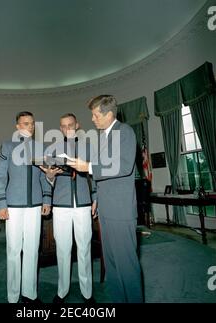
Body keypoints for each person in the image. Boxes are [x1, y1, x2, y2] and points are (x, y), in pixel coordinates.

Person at [67, 95, 143, 303]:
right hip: (106, 210)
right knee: (112, 266)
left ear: (109, 114)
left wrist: (89, 167)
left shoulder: (124, 131)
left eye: (95, 114)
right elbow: (105, 176)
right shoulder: (103, 138)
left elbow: (124, 165)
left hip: (121, 210)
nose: (92, 119)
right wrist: (97, 198)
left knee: (127, 266)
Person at [0, 111, 52, 304]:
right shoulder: (7, 146)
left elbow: (44, 176)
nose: (30, 126)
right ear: (17, 126)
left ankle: (30, 294)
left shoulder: (40, 148)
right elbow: (0, 176)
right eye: (25, 123)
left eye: (32, 123)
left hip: (35, 205)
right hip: (13, 205)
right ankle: (12, 296)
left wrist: (46, 199)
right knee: (13, 250)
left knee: (32, 249)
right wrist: (0, 203)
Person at [41, 113, 97, 304]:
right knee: (63, 249)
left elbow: (95, 176)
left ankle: (87, 293)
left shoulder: (88, 147)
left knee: (84, 248)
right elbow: (46, 178)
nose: (67, 129)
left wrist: (95, 198)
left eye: (70, 125)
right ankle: (62, 291)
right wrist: (49, 176)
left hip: (83, 204)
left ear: (77, 125)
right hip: (61, 205)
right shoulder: (52, 149)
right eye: (63, 126)